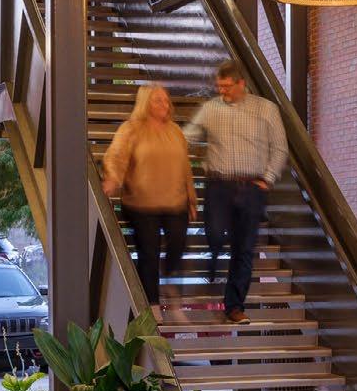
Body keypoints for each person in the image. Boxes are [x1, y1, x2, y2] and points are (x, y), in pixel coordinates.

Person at [183, 61, 285, 324]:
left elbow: (279, 148)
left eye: (227, 87)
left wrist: (268, 179)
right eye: (219, 86)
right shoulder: (211, 108)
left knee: (244, 249)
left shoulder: (266, 109)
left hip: (251, 188)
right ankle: (214, 256)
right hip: (219, 185)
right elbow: (188, 135)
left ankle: (234, 306)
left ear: (241, 84)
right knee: (215, 233)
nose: (222, 91)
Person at [102, 84, 198, 320]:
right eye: (158, 100)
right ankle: (152, 305)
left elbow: (185, 167)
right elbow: (116, 156)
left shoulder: (175, 131)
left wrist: (192, 198)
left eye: (166, 100)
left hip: (175, 202)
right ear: (145, 103)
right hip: (141, 204)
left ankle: (171, 285)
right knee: (149, 254)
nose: (164, 104)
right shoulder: (131, 129)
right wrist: (113, 178)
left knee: (177, 244)